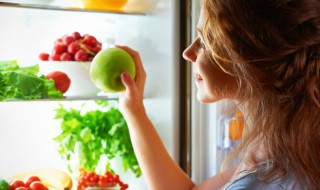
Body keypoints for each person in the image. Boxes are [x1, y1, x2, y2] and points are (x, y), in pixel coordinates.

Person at [116, 0, 320, 189]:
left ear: (249, 58)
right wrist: (135, 112)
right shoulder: (289, 147)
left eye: (203, 43)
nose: (188, 53)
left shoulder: (267, 175)